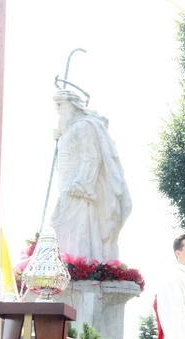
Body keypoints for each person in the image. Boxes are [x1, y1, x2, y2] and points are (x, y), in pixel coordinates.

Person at [50, 90, 132, 262]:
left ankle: (83, 263)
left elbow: (91, 156)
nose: (58, 109)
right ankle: (69, 262)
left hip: (79, 185)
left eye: (61, 104)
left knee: (81, 222)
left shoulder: (85, 125)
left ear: (73, 105)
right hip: (66, 181)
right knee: (65, 223)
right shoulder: (70, 129)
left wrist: (82, 183)